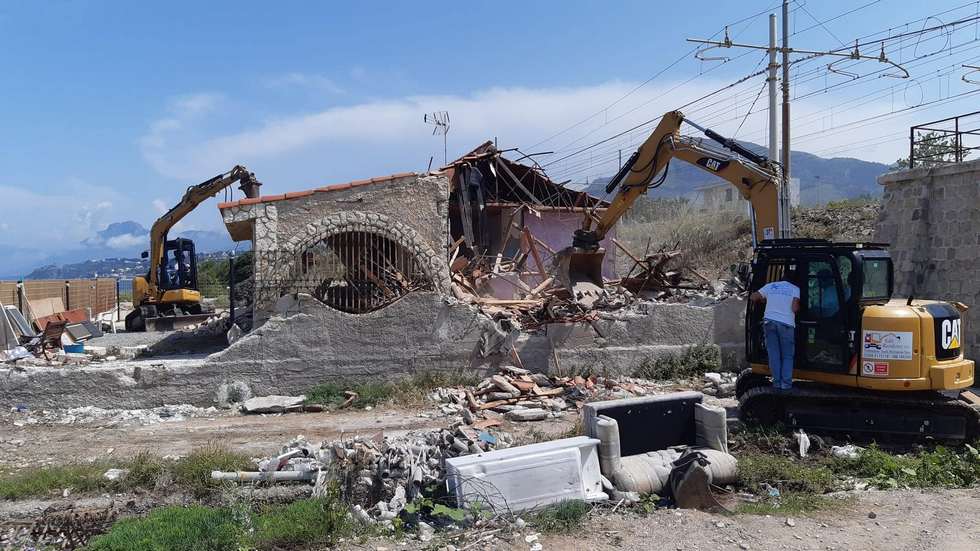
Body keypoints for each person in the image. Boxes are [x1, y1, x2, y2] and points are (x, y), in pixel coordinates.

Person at [751, 270, 801, 391]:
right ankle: (786, 385)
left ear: (782, 277)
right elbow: (794, 308)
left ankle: (777, 383)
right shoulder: (795, 289)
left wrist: (764, 300)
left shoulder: (771, 286)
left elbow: (753, 297)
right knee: (787, 356)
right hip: (786, 324)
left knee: (774, 354)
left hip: (769, 322)